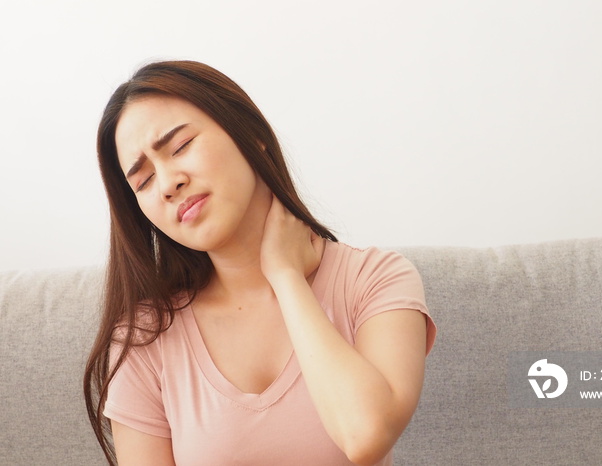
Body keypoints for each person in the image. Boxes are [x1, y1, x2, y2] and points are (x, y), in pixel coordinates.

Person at [83, 60, 437, 466]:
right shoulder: (146, 337)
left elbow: (365, 435)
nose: (167, 183)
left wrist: (287, 278)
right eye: (143, 181)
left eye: (180, 147)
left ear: (250, 133)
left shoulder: (376, 280)